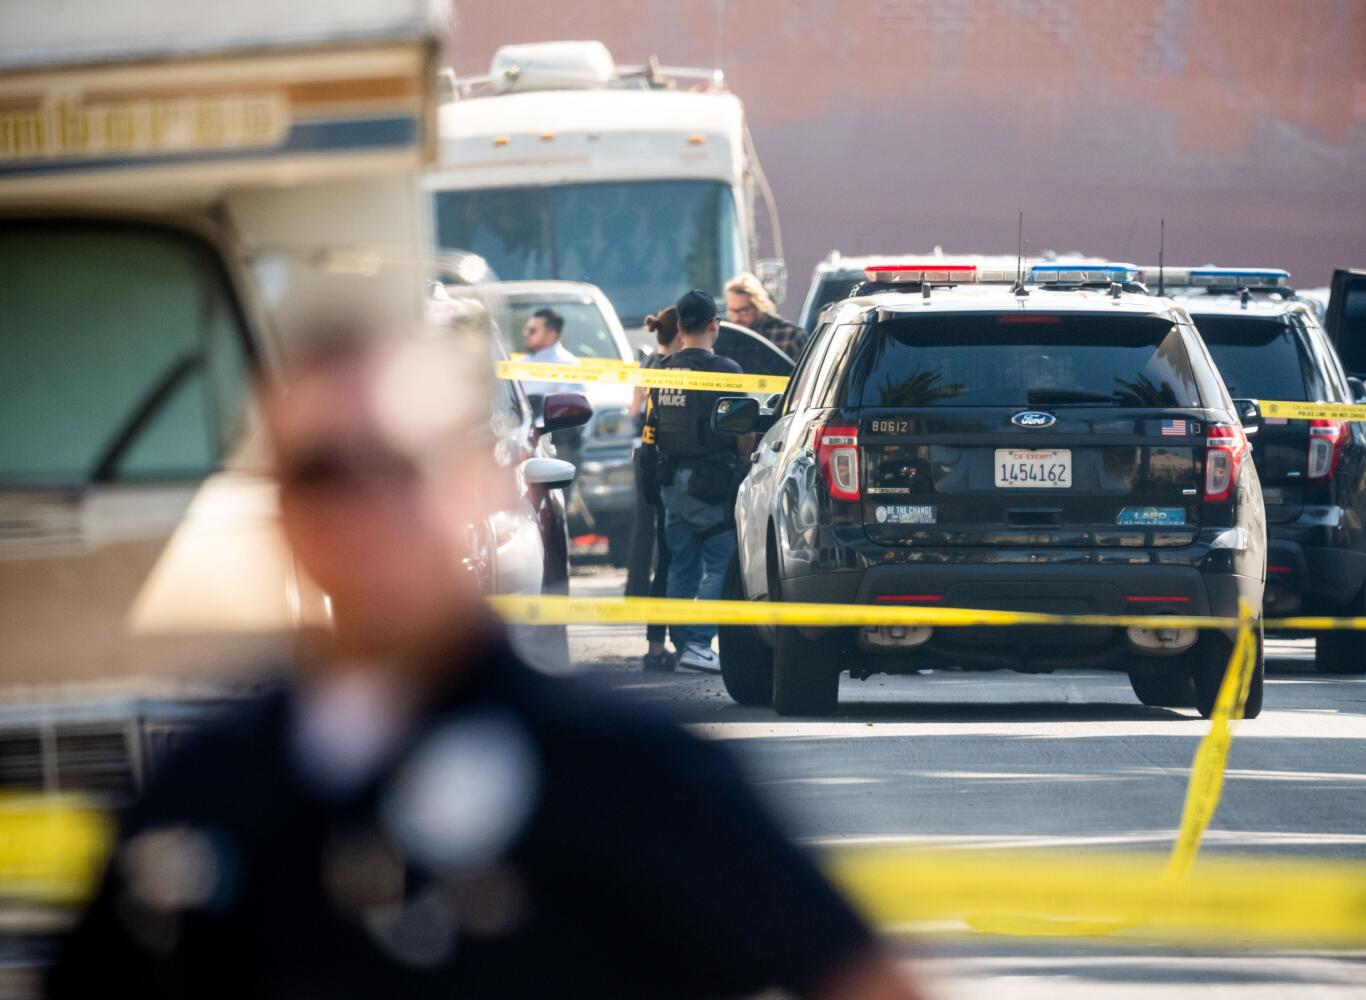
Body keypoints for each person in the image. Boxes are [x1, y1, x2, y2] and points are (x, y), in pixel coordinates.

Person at [48, 328, 920, 1000]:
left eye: (396, 466)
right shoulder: (205, 793)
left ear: (479, 485)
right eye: (321, 475)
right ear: (277, 510)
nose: (364, 509)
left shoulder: (632, 775)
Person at [647, 290, 753, 673]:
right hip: (710, 482)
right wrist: (747, 459)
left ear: (679, 326)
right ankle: (697, 643)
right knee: (723, 561)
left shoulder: (660, 369)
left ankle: (683, 645)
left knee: (681, 564)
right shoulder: (725, 371)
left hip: (671, 481)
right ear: (714, 325)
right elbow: (742, 428)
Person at [625, 305, 683, 671]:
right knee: (670, 558)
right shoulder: (680, 371)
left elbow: (633, 412)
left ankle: (655, 644)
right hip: (666, 465)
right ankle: (670, 643)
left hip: (644, 461)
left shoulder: (647, 365)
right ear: (680, 333)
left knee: (653, 547)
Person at [518, 306, 585, 478]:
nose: (526, 333)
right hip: (522, 443)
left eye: (533, 330)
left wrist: (540, 404)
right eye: (526, 328)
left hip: (557, 445)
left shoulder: (568, 365)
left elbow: (569, 409)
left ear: (551, 334)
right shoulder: (519, 364)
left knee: (558, 500)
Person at [725, 271, 807, 360]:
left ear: (759, 306)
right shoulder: (725, 338)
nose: (737, 317)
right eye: (732, 311)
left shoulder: (790, 335)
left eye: (743, 311)